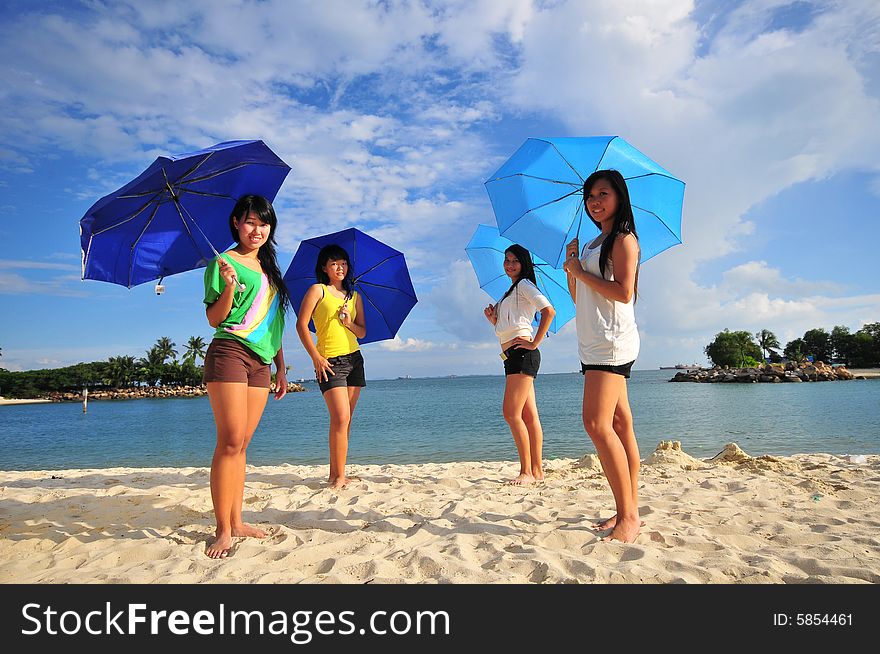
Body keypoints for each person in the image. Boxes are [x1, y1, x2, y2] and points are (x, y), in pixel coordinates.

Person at [202, 195, 290, 559]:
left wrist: (281, 366)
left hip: (262, 362)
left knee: (243, 444)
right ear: (237, 223)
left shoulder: (270, 270)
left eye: (264, 223)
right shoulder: (222, 262)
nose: (258, 230)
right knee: (230, 440)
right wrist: (226, 285)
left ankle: (237, 521)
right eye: (251, 222)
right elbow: (214, 319)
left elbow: (274, 325)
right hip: (230, 352)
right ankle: (223, 529)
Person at [562, 169, 642, 543]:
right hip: (593, 340)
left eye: (603, 193)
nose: (595, 201)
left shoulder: (623, 241)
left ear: (618, 197)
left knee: (596, 424)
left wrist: (580, 270)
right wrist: (571, 268)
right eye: (590, 196)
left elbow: (624, 292)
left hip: (611, 342)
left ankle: (629, 517)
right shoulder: (594, 243)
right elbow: (581, 298)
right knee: (621, 426)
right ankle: (628, 509)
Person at [483, 244, 556, 485]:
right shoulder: (510, 292)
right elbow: (507, 329)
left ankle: (526, 471)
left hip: (522, 354)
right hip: (512, 355)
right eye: (506, 260)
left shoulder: (524, 285)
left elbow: (549, 312)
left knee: (511, 413)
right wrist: (494, 320)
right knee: (528, 414)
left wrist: (535, 342)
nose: (509, 264)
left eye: (514, 260)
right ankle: (536, 471)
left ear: (524, 263)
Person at [296, 244, 366, 490]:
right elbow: (301, 326)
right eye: (335, 263)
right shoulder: (318, 291)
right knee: (340, 417)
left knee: (346, 421)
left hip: (354, 359)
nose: (341, 267)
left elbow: (362, 331)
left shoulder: (355, 296)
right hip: (329, 361)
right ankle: (337, 477)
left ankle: (338, 473)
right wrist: (315, 357)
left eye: (344, 263)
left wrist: (348, 322)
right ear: (325, 267)